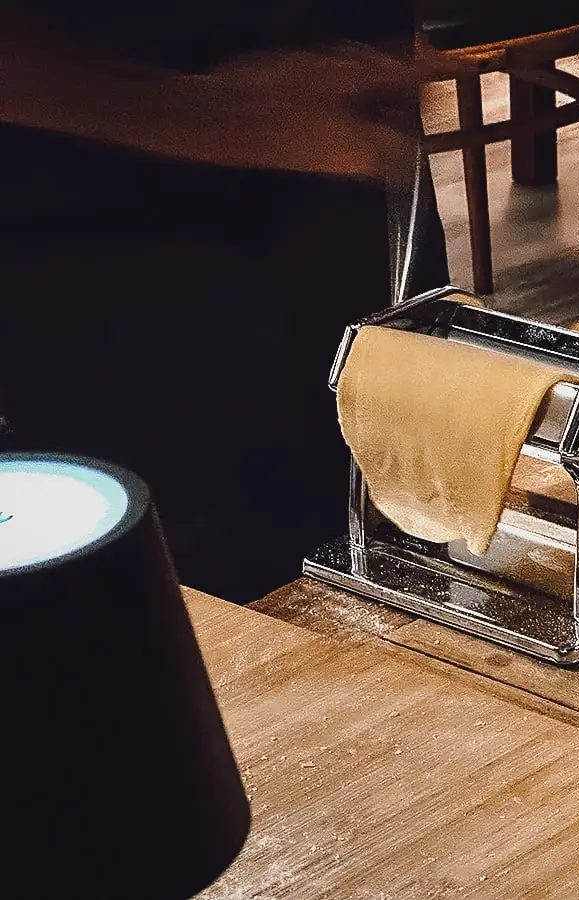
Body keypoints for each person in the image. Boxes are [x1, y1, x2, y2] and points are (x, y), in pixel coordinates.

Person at [0, 3, 449, 601]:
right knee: (175, 614)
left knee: (398, 562)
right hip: (114, 257)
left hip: (349, 199)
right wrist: (221, 115)